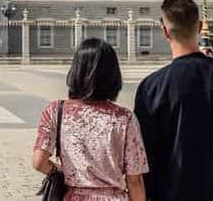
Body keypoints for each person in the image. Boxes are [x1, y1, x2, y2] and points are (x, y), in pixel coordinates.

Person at [134, 0, 213, 201]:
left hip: (172, 193)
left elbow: (146, 155)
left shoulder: (152, 87)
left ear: (164, 31)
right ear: (199, 26)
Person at [32, 38, 148, 200]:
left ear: (76, 71)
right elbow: (134, 179)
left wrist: (64, 172)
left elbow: (39, 162)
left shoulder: (55, 111)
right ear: (113, 75)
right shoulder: (124, 118)